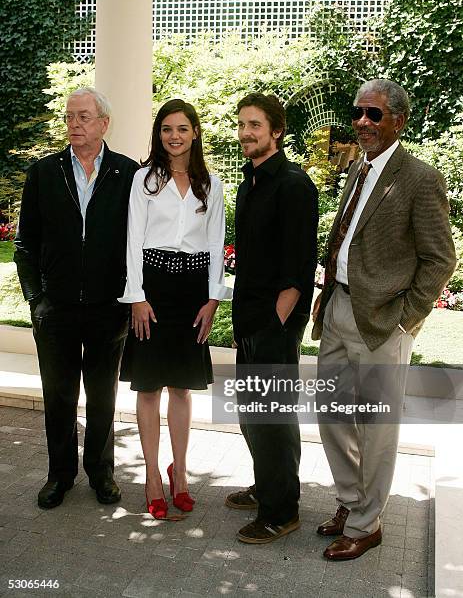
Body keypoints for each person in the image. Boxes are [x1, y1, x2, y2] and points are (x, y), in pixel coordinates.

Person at [312, 79, 456, 560]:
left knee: (375, 428)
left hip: (381, 321)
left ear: (399, 120)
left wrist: (406, 321)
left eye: (374, 115)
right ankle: (351, 504)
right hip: (337, 308)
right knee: (331, 415)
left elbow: (440, 259)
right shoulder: (358, 168)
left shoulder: (420, 178)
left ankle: (367, 524)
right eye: (358, 112)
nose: (362, 123)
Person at [14, 87, 139, 509]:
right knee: (60, 396)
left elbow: (138, 242)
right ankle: (59, 475)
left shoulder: (127, 173)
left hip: (109, 308)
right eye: (70, 118)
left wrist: (129, 297)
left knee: (103, 397)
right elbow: (25, 245)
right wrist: (37, 300)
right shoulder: (43, 173)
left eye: (83, 117)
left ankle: (102, 473)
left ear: (104, 123)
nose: (74, 125)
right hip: (57, 309)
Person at [118, 99, 231, 519]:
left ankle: (179, 473)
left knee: (181, 388)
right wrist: (137, 297)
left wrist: (214, 298)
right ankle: (151, 475)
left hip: (193, 291)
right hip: (153, 287)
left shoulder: (212, 184)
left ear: (195, 133)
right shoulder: (144, 180)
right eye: (167, 129)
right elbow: (132, 239)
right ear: (158, 134)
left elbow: (218, 243)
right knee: (148, 387)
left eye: (182, 128)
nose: (174, 136)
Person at [225, 93, 318, 543]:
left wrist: (274, 327)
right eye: (242, 124)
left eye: (255, 125)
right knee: (251, 415)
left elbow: (299, 269)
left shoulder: (294, 185)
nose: (246, 132)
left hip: (274, 325)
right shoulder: (251, 182)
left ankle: (281, 511)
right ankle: (267, 487)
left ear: (276, 131)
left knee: (273, 418)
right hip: (249, 319)